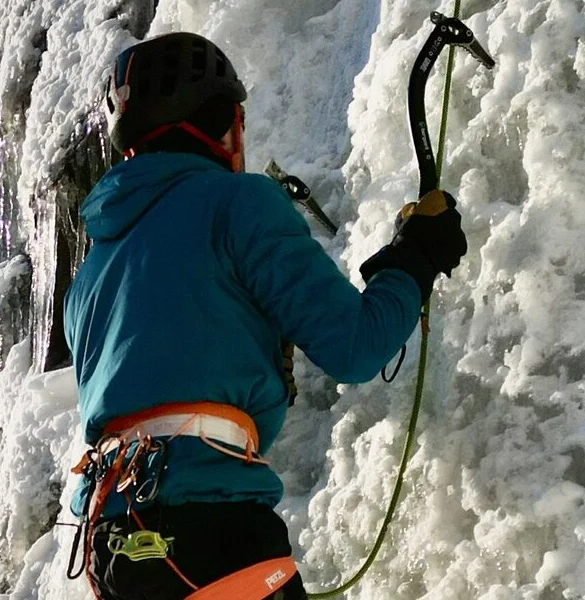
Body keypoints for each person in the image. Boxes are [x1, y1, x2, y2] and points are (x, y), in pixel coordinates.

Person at [64, 32, 468, 599]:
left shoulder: (89, 275)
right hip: (213, 539)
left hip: (112, 549)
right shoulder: (238, 203)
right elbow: (355, 346)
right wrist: (416, 257)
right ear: (221, 124)